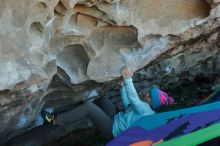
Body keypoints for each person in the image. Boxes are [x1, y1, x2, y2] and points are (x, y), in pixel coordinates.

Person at [41, 66, 174, 140]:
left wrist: (128, 80)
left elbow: (133, 99)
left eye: (150, 96)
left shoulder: (146, 112)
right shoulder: (144, 107)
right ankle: (76, 101)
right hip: (115, 118)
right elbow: (129, 105)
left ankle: (55, 120)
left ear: (153, 103)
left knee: (89, 108)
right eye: (149, 92)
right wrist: (122, 87)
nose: (146, 94)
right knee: (99, 96)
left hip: (113, 131)